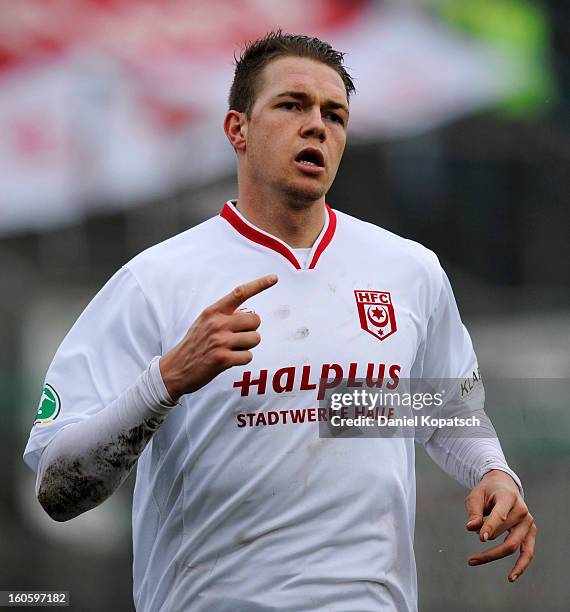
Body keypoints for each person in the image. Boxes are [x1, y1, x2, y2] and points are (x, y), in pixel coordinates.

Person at [23, 30, 536, 611]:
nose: (317, 125)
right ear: (237, 129)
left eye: (334, 114)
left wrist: (493, 471)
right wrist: (165, 381)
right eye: (292, 105)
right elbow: (58, 490)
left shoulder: (408, 270)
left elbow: (436, 409)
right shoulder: (155, 280)